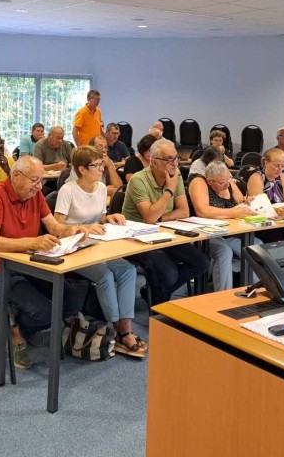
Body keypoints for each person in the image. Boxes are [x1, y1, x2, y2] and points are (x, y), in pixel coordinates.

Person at [0, 156, 88, 369]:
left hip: (27, 264)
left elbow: (54, 227)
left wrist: (71, 230)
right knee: (44, 310)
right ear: (16, 176)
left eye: (41, 181)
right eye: (35, 180)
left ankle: (23, 328)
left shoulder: (34, 194)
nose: (39, 186)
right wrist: (33, 242)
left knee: (72, 298)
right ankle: (18, 335)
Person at [54, 146, 146, 357]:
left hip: (96, 244)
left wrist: (109, 219)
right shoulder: (68, 190)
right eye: (96, 165)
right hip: (74, 248)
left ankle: (126, 327)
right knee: (105, 276)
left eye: (101, 164)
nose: (101, 169)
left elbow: (99, 219)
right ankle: (117, 329)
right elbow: (57, 227)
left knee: (128, 271)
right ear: (82, 169)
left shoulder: (102, 188)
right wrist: (83, 228)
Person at [121, 138, 209, 306]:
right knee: (170, 273)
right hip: (137, 239)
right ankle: (158, 297)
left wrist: (160, 218)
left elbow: (184, 211)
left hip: (164, 233)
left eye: (176, 158)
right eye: (168, 159)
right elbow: (149, 218)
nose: (174, 163)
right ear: (154, 162)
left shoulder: (176, 175)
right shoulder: (138, 180)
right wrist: (169, 189)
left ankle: (156, 293)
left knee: (202, 262)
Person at [188, 161, 250, 291]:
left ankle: (254, 289)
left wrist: (248, 202)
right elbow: (203, 211)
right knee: (224, 252)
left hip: (230, 233)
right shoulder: (199, 182)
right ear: (210, 181)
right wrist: (233, 212)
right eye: (222, 183)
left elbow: (241, 203)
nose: (227, 184)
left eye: (228, 180)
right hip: (206, 235)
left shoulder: (228, 181)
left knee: (255, 246)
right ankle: (223, 295)